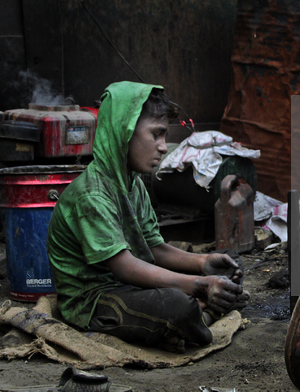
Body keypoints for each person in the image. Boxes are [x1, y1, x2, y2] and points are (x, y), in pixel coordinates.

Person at [47, 81, 248, 353]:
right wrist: (198, 285)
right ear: (124, 132)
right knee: (176, 306)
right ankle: (200, 315)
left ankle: (198, 317)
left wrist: (203, 263)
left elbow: (154, 247)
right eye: (157, 135)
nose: (164, 147)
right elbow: (124, 266)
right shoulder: (92, 195)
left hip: (127, 284)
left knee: (228, 263)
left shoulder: (133, 183)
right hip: (96, 298)